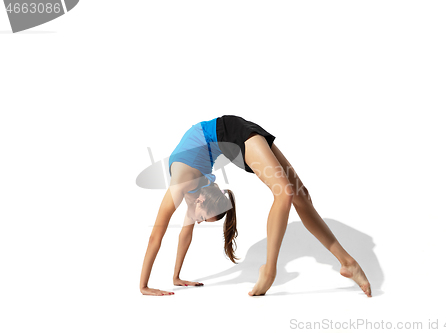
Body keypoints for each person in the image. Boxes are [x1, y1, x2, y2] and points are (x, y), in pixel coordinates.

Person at [139, 115, 371, 297]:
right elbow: (185, 234)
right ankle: (347, 262)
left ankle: (268, 271)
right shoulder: (198, 192)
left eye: (201, 218)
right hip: (235, 131)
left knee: (286, 193)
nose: (196, 221)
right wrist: (176, 277)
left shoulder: (181, 184)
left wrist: (144, 286)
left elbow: (155, 237)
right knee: (301, 196)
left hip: (229, 132)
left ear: (201, 201)